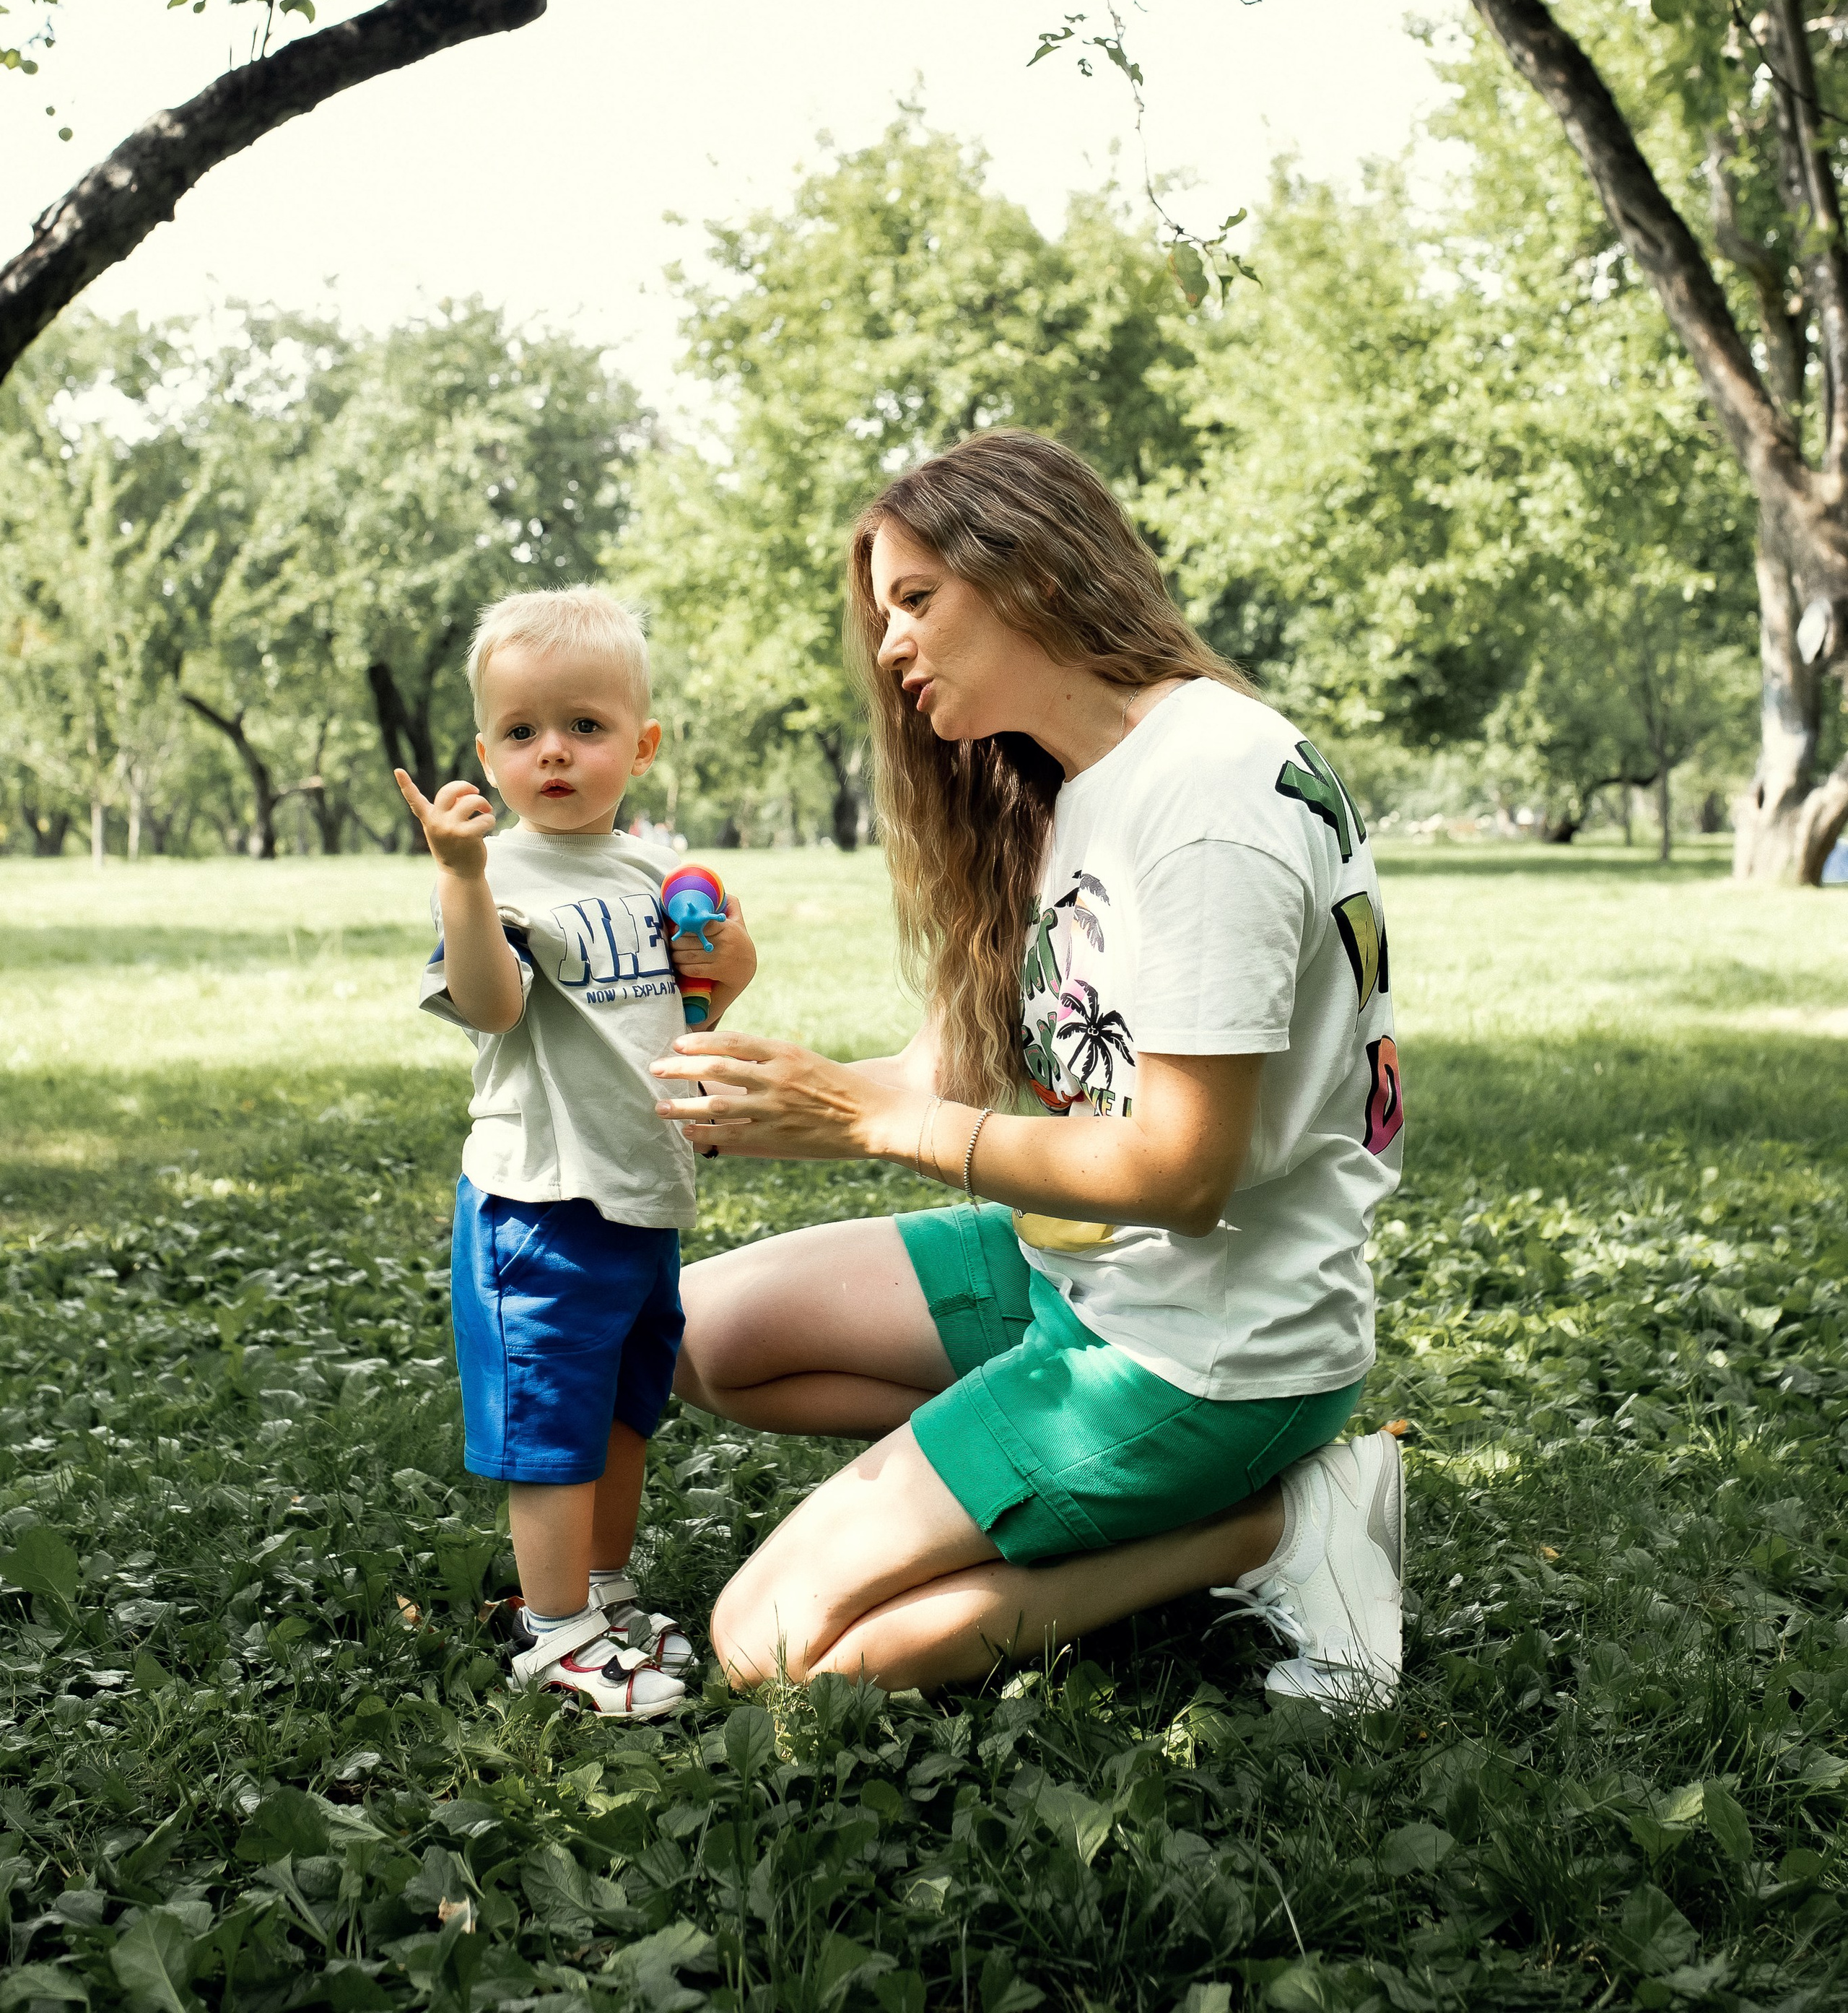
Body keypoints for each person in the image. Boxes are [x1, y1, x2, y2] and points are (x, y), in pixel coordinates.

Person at [653, 432, 1405, 1708]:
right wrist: (779, 1096)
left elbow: (1176, 1169)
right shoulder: (1071, 783)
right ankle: (1028, 1473)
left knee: (771, 1650)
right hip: (1086, 1272)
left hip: (1213, 1350)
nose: (889, 647)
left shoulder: (1206, 796)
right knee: (701, 1336)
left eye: (916, 600)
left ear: (1030, 569)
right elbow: (937, 1072)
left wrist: (876, 1123)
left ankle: (1271, 1524)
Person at [397, 584, 756, 1718]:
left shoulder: (654, 874)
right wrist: (460, 878)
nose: (553, 752)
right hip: (540, 1204)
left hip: (642, 1195)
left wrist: (730, 963)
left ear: (640, 745)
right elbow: (494, 1006)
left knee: (620, 1410)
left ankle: (600, 1591)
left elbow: (698, 1000)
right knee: (552, 1427)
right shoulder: (498, 880)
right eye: (521, 732)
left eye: (585, 727)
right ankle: (555, 1634)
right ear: (488, 755)